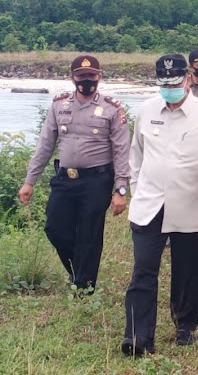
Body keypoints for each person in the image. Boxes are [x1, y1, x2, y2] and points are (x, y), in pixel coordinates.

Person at [121, 54, 198, 356]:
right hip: (150, 204)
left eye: (174, 82)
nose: (168, 89)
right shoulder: (146, 111)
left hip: (190, 202)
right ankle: (138, 337)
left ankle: (185, 326)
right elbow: (136, 157)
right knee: (143, 270)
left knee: (187, 270)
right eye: (163, 83)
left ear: (186, 79)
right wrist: (136, 190)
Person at [19, 55, 129, 291]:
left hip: (97, 180)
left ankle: (84, 287)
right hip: (64, 179)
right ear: (72, 77)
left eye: (91, 76)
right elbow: (45, 145)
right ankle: (77, 270)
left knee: (89, 233)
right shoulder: (59, 105)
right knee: (55, 228)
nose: (86, 80)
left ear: (99, 76)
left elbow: (121, 151)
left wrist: (120, 189)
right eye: (81, 76)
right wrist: (30, 181)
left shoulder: (112, 109)